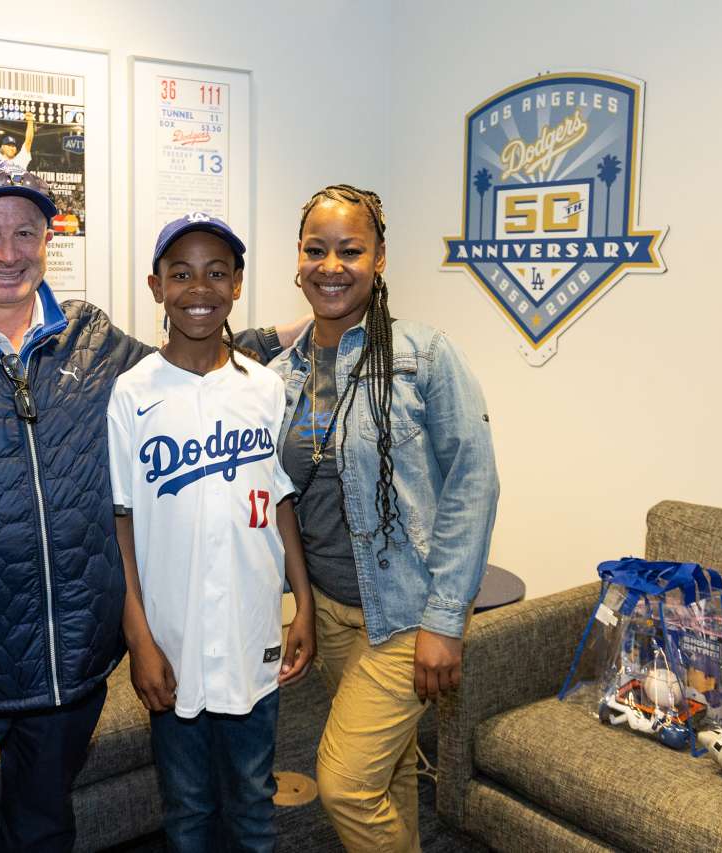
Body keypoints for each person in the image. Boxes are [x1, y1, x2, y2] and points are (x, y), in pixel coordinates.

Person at [0, 160, 298, 853]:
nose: (7, 252)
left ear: (49, 240)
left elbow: (187, 359)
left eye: (25, 232)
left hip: (63, 670)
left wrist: (301, 327)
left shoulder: (96, 343)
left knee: (43, 832)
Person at [269, 184, 500, 852]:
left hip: (405, 612)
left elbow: (473, 484)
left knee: (343, 784)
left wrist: (445, 620)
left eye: (350, 249)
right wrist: (304, 606)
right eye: (317, 250)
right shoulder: (282, 372)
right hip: (334, 614)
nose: (332, 265)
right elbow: (289, 500)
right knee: (390, 775)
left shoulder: (423, 356)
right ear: (299, 260)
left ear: (381, 259)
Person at [108, 215, 316, 853]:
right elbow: (121, 519)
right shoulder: (131, 393)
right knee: (189, 809)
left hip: (253, 627)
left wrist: (302, 602)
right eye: (181, 274)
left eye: (216, 272)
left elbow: (281, 500)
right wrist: (138, 635)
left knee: (254, 802)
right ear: (156, 286)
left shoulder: (266, 387)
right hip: (174, 637)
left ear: (237, 285)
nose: (199, 287)